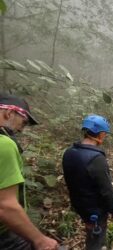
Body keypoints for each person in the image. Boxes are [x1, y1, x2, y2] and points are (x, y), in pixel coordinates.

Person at [0, 93, 59, 250]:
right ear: (9, 113)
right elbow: (5, 206)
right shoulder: (4, 144)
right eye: (23, 122)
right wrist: (39, 239)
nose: (22, 129)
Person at [62, 114, 113, 250]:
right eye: (104, 134)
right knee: (96, 241)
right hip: (95, 210)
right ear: (101, 134)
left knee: (91, 234)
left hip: (80, 205)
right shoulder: (96, 158)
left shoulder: (69, 152)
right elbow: (106, 189)